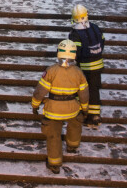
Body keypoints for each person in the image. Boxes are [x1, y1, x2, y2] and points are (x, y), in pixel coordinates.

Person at [32, 39, 89, 174]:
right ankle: (72, 146)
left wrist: (35, 105)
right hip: (72, 108)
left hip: (53, 110)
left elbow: (40, 91)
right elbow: (84, 94)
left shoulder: (51, 71)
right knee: (75, 125)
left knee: (53, 135)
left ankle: (54, 163)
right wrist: (85, 109)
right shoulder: (78, 72)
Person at [68, 4, 105, 128]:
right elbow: (103, 41)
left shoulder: (75, 33)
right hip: (98, 64)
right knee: (94, 89)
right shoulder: (95, 27)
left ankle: (82, 113)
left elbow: (75, 50)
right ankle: (94, 117)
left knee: (82, 89)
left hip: (84, 66)